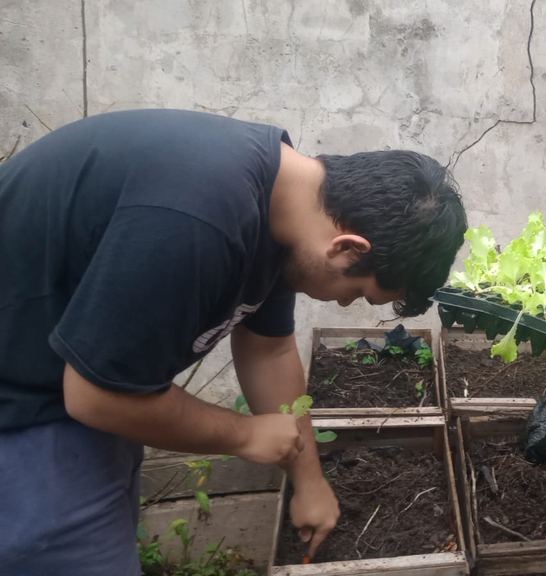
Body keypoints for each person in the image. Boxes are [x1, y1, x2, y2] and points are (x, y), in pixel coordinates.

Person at [0, 109, 468, 575]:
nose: (345, 305)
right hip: (22, 411)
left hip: (74, 391)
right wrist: (243, 434)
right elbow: (99, 397)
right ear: (347, 247)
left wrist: (307, 480)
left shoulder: (282, 207)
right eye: (358, 293)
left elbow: (269, 348)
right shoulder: (196, 216)